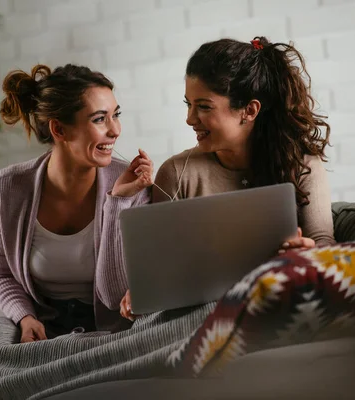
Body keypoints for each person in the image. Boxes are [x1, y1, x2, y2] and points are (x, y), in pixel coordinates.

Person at [120, 36, 335, 321]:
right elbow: (162, 268)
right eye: (188, 104)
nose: (189, 118)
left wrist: (311, 252)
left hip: (276, 308)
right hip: (199, 320)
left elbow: (324, 242)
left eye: (204, 106)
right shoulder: (175, 173)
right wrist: (143, 291)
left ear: (249, 110)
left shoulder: (303, 165)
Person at [0, 63, 153, 342]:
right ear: (59, 129)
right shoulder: (4, 191)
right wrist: (25, 318)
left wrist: (118, 201)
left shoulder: (132, 185)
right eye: (100, 119)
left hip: (115, 335)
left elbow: (115, 296)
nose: (115, 130)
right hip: (41, 331)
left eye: (116, 115)